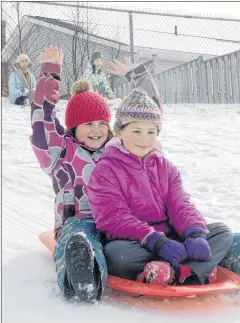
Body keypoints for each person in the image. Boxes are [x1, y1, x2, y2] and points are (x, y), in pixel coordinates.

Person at [88, 59, 240, 287]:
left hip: (173, 239)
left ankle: (176, 272)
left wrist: (194, 234)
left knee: (221, 233)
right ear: (120, 132)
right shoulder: (106, 169)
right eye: (136, 130)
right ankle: (188, 270)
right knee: (116, 255)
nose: (144, 138)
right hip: (137, 243)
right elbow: (113, 217)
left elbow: (180, 204)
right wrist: (155, 241)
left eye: (151, 131)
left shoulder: (165, 167)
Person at [30, 46, 161, 301]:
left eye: (102, 123)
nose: (97, 130)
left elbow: (147, 119)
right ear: (74, 127)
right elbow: (41, 119)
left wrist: (138, 74)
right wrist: (49, 74)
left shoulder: (120, 149)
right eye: (88, 124)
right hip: (79, 220)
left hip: (120, 219)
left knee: (154, 231)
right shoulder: (59, 152)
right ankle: (81, 276)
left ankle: (174, 263)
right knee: (80, 239)